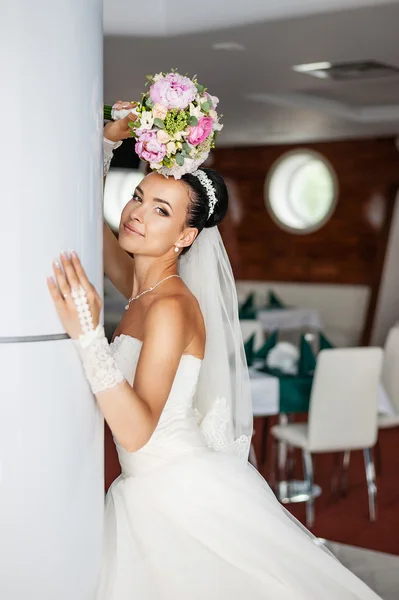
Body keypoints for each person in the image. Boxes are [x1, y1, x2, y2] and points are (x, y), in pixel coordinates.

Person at [47, 103, 382, 599]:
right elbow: (96, 225)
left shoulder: (171, 307)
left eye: (161, 210)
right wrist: (106, 143)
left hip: (175, 491)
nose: (137, 213)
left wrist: (89, 336)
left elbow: (138, 432)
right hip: (148, 490)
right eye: (138, 196)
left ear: (186, 236)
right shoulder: (141, 288)